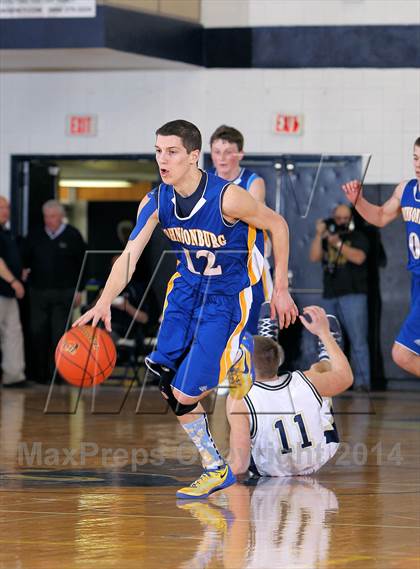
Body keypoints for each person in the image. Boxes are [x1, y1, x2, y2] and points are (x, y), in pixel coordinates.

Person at [75, 119, 298, 499]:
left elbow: (277, 225)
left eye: (172, 151)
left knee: (183, 395)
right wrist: (102, 302)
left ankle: (235, 360)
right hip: (184, 292)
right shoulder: (157, 199)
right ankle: (215, 467)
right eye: (159, 150)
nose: (163, 159)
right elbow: (129, 256)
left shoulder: (228, 197)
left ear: (195, 157)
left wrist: (279, 289)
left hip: (226, 297)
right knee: (164, 382)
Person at [226, 306, 353, 476]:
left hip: (268, 469)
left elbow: (239, 465)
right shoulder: (307, 380)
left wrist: (213, 474)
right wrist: (325, 334)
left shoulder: (238, 400)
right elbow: (345, 377)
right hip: (318, 457)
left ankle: (266, 341)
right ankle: (327, 355)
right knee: (318, 373)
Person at [342, 137, 420, 377]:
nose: (418, 164)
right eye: (416, 158)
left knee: (402, 354)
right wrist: (358, 202)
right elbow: (380, 216)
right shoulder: (406, 189)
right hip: (416, 280)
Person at [209, 125, 273, 334]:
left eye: (228, 152)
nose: (222, 158)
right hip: (215, 265)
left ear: (240, 154)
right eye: (217, 152)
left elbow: (254, 220)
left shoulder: (253, 182)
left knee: (254, 332)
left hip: (248, 262)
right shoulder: (205, 182)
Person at [23, 200, 87, 383]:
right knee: (37, 332)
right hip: (38, 292)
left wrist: (79, 290)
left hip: (65, 292)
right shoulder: (35, 235)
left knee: (59, 334)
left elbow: (83, 263)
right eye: (46, 217)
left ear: (61, 217)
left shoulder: (73, 235)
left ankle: (58, 374)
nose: (49, 220)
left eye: (53, 216)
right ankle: (39, 374)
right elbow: (24, 257)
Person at [309, 204, 371, 390]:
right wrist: (320, 234)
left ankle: (362, 383)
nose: (342, 222)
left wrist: (336, 243)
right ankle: (332, 382)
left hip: (353, 293)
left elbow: (359, 257)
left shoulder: (359, 236)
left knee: (358, 340)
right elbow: (314, 257)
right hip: (330, 293)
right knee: (329, 341)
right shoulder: (327, 235)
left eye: (346, 218)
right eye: (339, 218)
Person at [0, 196, 26, 387]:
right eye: (1, 208)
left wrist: (20, 272)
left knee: (13, 334)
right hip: (4, 289)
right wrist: (14, 281)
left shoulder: (5, 232)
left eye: (7, 207)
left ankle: (14, 376)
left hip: (8, 293)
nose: (6, 211)